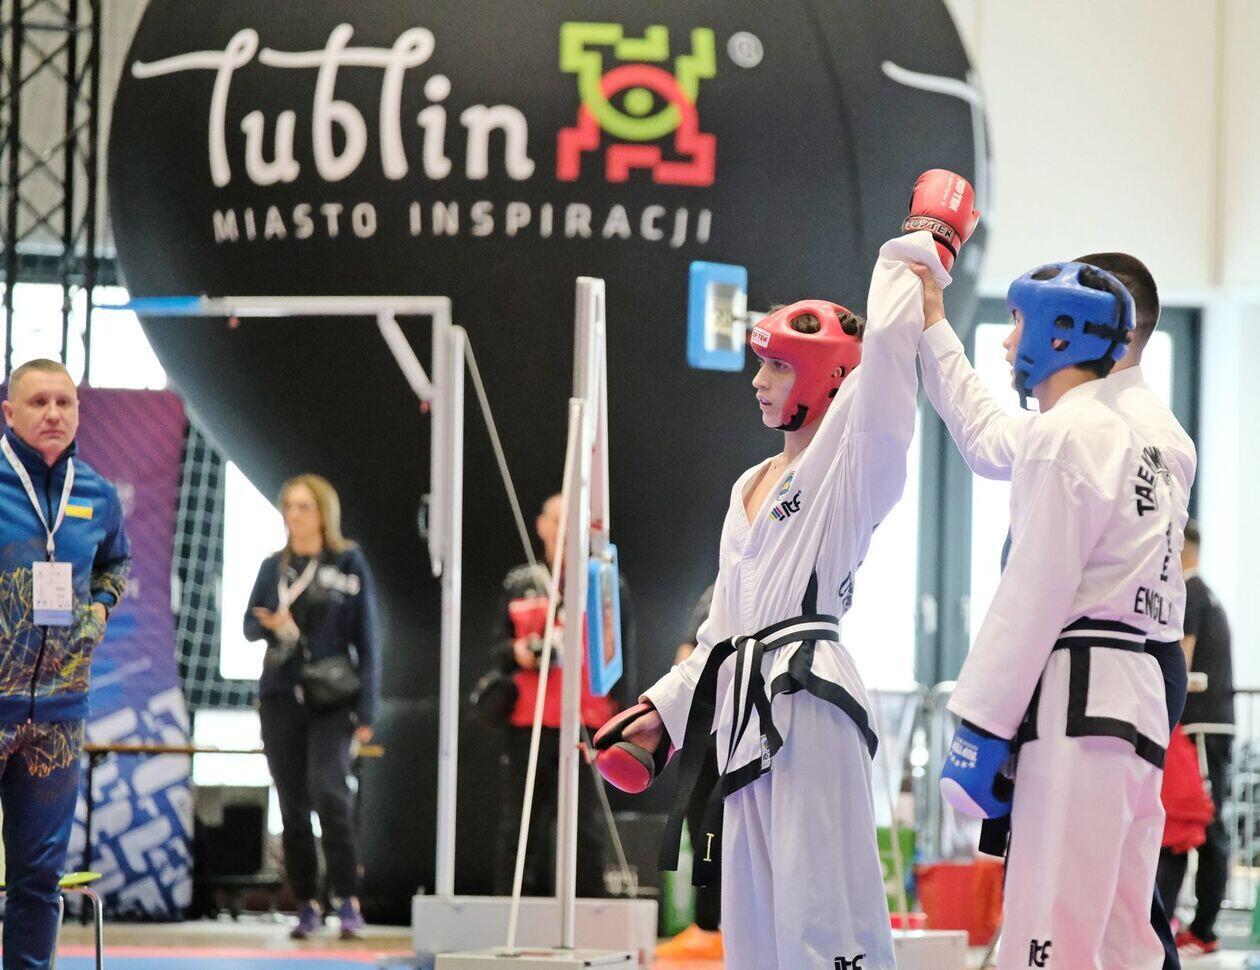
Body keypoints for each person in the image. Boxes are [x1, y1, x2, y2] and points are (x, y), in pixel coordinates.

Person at [593, 170, 979, 970]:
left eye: (776, 367)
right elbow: (721, 633)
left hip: (808, 697)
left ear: (827, 376)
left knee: (820, 916)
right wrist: (664, 715)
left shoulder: (856, 462)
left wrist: (924, 244)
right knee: (754, 928)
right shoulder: (748, 485)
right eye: (761, 366)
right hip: (742, 704)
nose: (758, 382)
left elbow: (886, 368)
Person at [916, 250, 1194, 968]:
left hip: (1080, 687)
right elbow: (987, 437)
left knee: (1048, 926)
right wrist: (935, 329)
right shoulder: (1146, 431)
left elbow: (1033, 590)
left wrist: (980, 727)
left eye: (1018, 323)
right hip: (1135, 692)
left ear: (1063, 331)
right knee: (1124, 930)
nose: (1009, 342)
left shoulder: (1072, 432)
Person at [0, 358, 131, 970]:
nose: (53, 413)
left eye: (64, 402)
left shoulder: (98, 494)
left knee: (38, 880)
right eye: (38, 402)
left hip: (58, 718)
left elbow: (115, 563)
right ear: (9, 413)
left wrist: (101, 606)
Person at [244, 474, 379, 939]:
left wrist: (368, 710)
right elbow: (248, 624)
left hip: (333, 700)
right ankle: (306, 902)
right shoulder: (273, 566)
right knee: (292, 804)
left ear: (323, 512)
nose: (294, 515)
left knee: (329, 792)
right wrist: (273, 625)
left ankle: (349, 898)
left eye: (304, 506)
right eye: (289, 506)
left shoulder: (349, 562)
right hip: (281, 695)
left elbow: (369, 640)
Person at [490, 493, 633, 898]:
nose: (566, 529)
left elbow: (622, 652)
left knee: (585, 824)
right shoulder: (520, 583)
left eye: (575, 521)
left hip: (588, 721)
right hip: (528, 722)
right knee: (521, 823)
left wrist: (623, 719)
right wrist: (519, 652)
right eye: (558, 520)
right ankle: (512, 906)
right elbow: (497, 649)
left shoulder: (605, 582)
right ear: (541, 525)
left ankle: (587, 906)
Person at [1156, 520, 1235, 957]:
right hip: (1213, 725)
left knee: (1201, 823)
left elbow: (1179, 666)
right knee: (1198, 823)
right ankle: (1198, 926)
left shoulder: (1190, 594)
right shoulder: (1208, 594)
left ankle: (1203, 928)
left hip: (1201, 726)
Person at [654, 583, 722, 963]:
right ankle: (709, 926)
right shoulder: (717, 591)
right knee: (705, 833)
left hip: (746, 732)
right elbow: (686, 654)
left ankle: (722, 925)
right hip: (707, 734)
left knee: (732, 834)